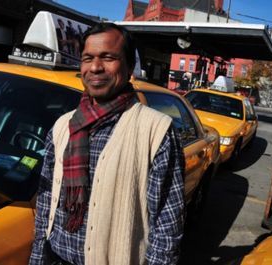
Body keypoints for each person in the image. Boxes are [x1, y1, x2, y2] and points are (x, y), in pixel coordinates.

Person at [29, 22, 185, 265]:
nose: (95, 67)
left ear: (129, 65)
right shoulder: (62, 126)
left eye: (108, 57)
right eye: (87, 58)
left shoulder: (156, 131)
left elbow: (167, 227)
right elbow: (46, 201)